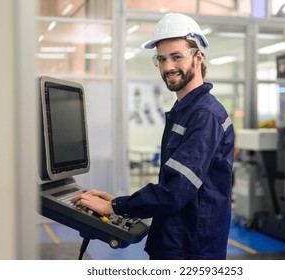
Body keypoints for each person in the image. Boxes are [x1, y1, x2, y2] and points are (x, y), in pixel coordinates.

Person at [72, 13, 235, 260]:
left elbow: (175, 191)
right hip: (177, 241)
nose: (168, 66)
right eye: (161, 58)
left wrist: (114, 207)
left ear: (198, 57)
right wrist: (120, 202)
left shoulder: (204, 115)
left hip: (191, 251)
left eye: (177, 56)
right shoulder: (185, 111)